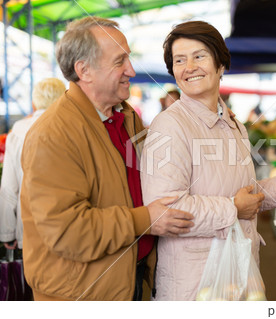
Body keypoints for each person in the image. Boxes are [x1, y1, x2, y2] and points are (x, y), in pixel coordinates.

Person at [140, 21, 276, 301]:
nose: (189, 67)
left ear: (221, 64)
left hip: (237, 272)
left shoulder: (232, 123)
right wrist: (233, 208)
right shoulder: (169, 127)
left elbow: (241, 191)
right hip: (196, 284)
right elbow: (165, 210)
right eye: (179, 60)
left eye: (199, 56)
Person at [20, 17, 194, 301]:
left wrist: (207, 118)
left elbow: (167, 164)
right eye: (119, 61)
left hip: (130, 279)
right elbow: (68, 231)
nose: (132, 70)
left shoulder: (125, 118)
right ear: (84, 70)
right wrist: (144, 220)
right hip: (84, 294)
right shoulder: (53, 135)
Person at [0, 78, 66, 251]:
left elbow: (9, 187)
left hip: (29, 229)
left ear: (34, 103)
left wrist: (7, 232)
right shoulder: (72, 128)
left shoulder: (19, 130)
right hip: (67, 229)